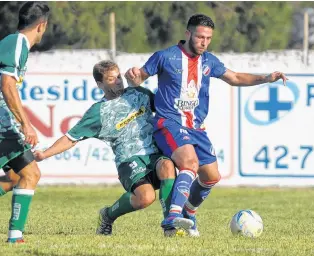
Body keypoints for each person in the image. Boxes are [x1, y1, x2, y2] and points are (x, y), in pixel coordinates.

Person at [125, 13, 288, 237]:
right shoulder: (165, 57)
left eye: (208, 38)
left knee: (211, 176)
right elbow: (139, 77)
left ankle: (189, 212)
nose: (204, 42)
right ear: (188, 34)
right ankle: (172, 217)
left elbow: (236, 78)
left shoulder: (209, 61)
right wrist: (133, 76)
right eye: (200, 37)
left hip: (196, 128)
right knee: (189, 162)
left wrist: (267, 78)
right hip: (168, 123)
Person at [34, 60, 192, 236]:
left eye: (118, 76)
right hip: (128, 160)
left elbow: (167, 110)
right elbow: (71, 138)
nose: (118, 81)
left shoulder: (140, 93)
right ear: (100, 84)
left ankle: (170, 226)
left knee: (167, 165)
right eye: (111, 79)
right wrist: (45, 154)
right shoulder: (98, 112)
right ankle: (107, 215)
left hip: (154, 155)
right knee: (145, 198)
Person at [0, 2, 50, 243]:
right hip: (0, 121)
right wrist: (26, 123)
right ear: (42, 26)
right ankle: (15, 236)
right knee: (30, 173)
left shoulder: (15, 44)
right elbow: (7, 85)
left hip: (4, 120)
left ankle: (15, 236)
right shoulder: (18, 42)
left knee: (16, 177)